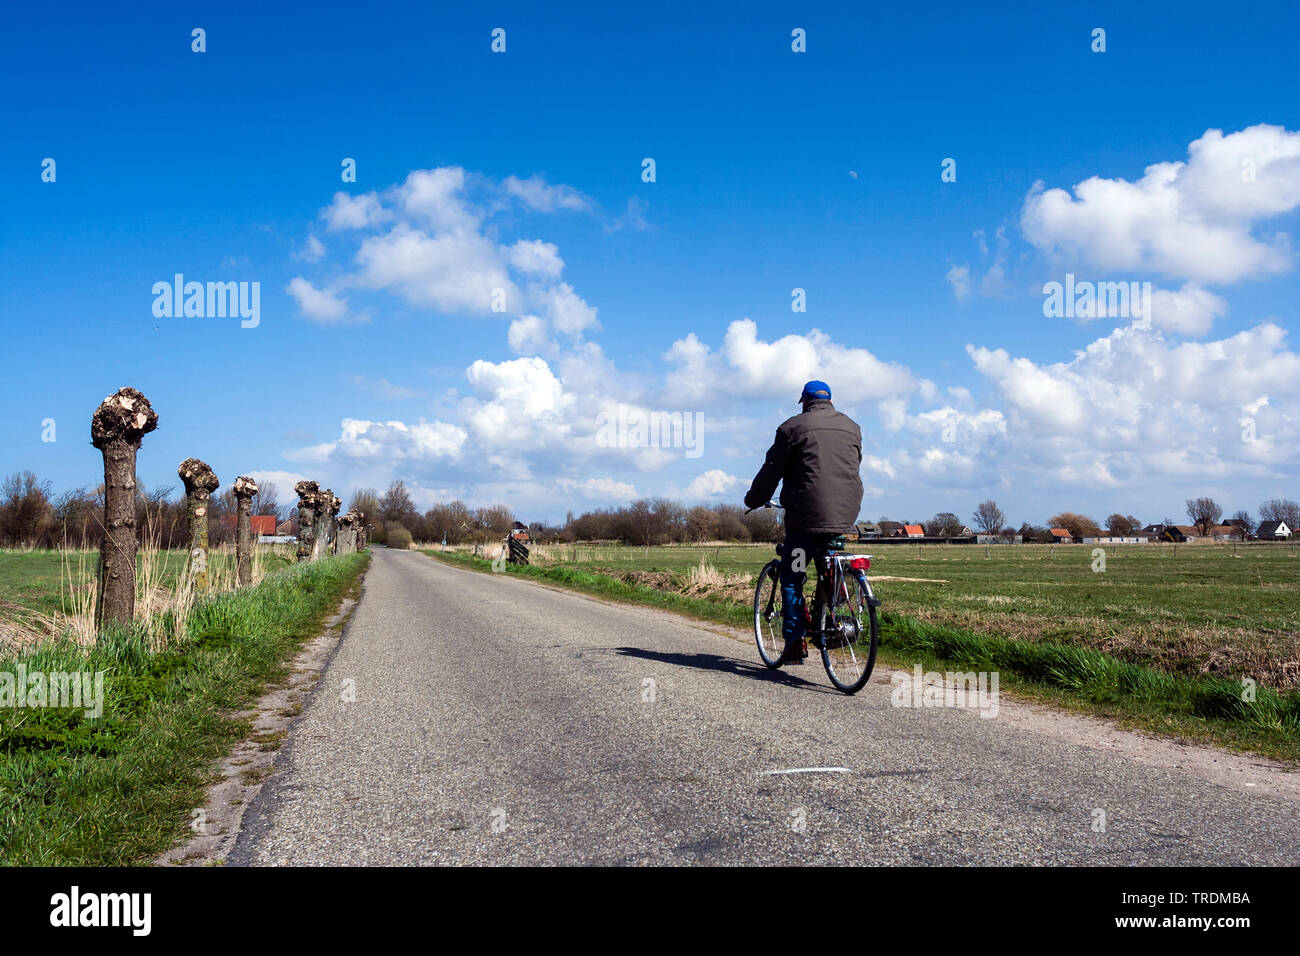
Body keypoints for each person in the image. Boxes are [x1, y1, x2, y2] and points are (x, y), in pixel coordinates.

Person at [743, 380, 863, 664]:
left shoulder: (792, 428)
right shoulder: (852, 427)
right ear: (830, 400)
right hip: (844, 516)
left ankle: (795, 641)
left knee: (792, 575)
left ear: (804, 402)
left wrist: (754, 498)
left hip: (805, 523)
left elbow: (772, 470)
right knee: (828, 558)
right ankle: (834, 592)